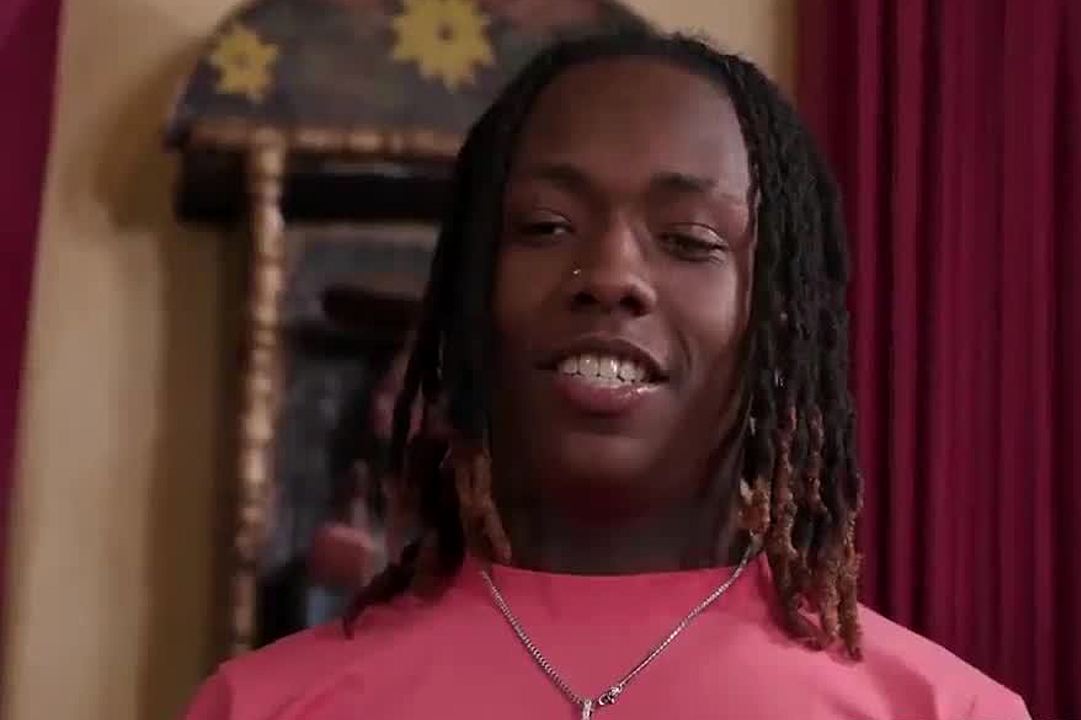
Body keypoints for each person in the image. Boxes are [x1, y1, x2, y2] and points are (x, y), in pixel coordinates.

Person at [184, 31, 1030, 719]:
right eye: (546, 227)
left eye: (690, 240)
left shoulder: (943, 711)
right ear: (470, 297)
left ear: (778, 321)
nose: (612, 275)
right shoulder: (262, 707)